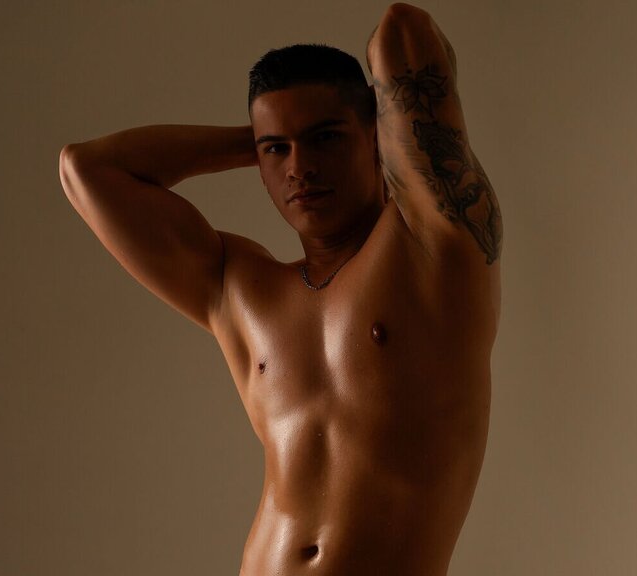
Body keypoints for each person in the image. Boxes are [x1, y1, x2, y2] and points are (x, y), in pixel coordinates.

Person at [58, 3, 502, 574]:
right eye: (278, 150)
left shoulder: (436, 245)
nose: (300, 167)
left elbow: (405, 33)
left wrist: (315, 132)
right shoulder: (238, 289)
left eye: (325, 138)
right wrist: (260, 141)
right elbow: (86, 170)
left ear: (376, 135)